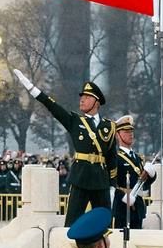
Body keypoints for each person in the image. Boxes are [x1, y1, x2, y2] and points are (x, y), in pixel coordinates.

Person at [14, 70, 117, 225]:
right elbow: (52, 106)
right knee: (72, 222)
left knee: (103, 223)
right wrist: (31, 88)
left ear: (97, 102)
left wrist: (112, 186)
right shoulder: (75, 121)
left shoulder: (109, 126)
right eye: (81, 97)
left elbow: (111, 158)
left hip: (100, 179)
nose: (82, 100)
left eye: (87, 97)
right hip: (80, 177)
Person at [112, 115, 157, 229]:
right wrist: (123, 196)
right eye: (126, 132)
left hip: (138, 207)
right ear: (117, 135)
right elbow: (110, 183)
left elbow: (144, 184)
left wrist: (152, 175)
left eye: (131, 131)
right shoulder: (115, 158)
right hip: (122, 207)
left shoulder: (138, 158)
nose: (130, 134)